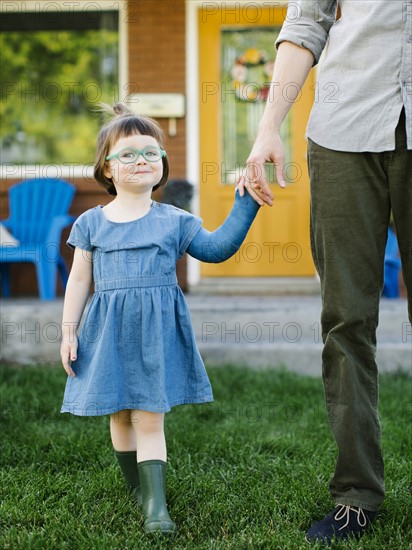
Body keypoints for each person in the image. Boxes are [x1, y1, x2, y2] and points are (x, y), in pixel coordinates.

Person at [239, 0, 412, 545]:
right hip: (345, 130)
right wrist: (269, 128)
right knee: (345, 321)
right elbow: (305, 23)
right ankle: (356, 494)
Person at [60, 103, 261, 535]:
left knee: (149, 415)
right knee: (118, 414)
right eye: (128, 154)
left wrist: (245, 204)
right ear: (107, 169)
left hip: (155, 333)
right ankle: (137, 487)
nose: (141, 161)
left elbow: (217, 247)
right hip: (107, 332)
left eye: (150, 153)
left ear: (163, 165)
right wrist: (68, 332)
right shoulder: (92, 222)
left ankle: (157, 506)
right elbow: (79, 281)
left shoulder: (174, 220)